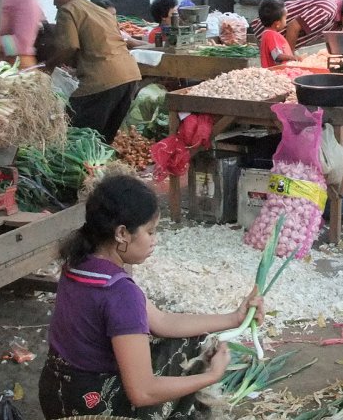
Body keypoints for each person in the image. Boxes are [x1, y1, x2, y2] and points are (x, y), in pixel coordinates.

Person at [38, 175, 264, 419]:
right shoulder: (121, 294)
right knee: (193, 356)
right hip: (92, 409)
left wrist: (235, 317)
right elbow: (142, 393)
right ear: (122, 233)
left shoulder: (79, 263)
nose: (154, 241)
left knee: (191, 340)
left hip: (56, 393)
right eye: (150, 231)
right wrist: (210, 376)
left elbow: (163, 322)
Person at [45, 0, 141, 143]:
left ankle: (82, 169)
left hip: (102, 80)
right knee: (103, 139)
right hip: (129, 76)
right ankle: (100, 169)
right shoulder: (100, 10)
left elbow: (69, 46)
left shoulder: (68, 10)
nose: (54, 3)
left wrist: (49, 65)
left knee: (76, 135)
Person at [250, 0, 343, 51]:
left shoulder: (337, 20)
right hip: (268, 34)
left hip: (279, 42)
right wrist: (289, 57)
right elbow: (294, 26)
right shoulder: (328, 9)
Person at [257, 0, 298, 68]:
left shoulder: (267, 34)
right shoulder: (271, 35)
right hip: (275, 72)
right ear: (277, 23)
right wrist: (293, 58)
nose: (286, 21)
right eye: (285, 18)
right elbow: (277, 56)